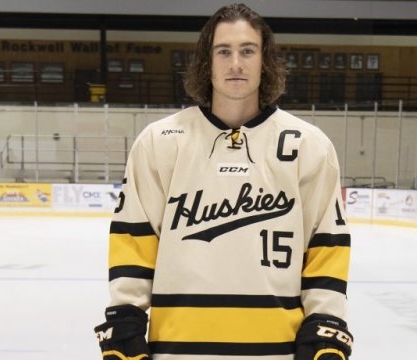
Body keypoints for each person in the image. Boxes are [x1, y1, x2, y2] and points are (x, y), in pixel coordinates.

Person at [94, 3, 353, 360]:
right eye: (223, 51)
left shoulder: (309, 145)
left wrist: (326, 325)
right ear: (207, 62)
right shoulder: (161, 141)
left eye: (248, 51)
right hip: (176, 351)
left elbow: (326, 246)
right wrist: (124, 321)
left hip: (276, 352)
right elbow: (134, 239)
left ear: (265, 61)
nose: (235, 63)